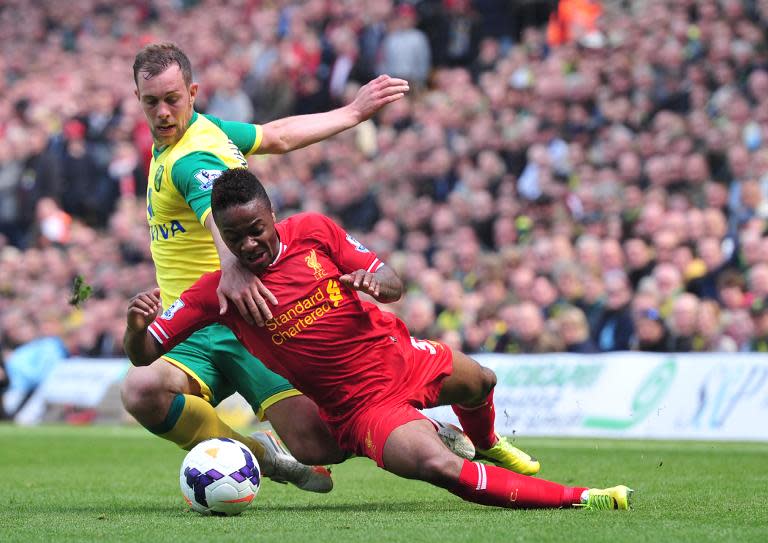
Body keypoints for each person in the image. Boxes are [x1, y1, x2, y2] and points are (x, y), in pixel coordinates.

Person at [123, 169, 633, 510]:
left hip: (404, 357)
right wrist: (136, 327)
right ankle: (581, 497)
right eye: (235, 239)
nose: (249, 244)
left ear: (272, 215)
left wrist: (374, 284)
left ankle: (489, 443)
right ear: (223, 239)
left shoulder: (315, 231)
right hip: (362, 408)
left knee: (482, 381)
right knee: (437, 466)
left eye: (256, 229)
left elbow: (391, 280)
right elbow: (145, 357)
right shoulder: (218, 293)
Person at [121, 42, 421, 493]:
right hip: (195, 326)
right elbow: (277, 136)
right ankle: (259, 456)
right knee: (141, 389)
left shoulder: (192, 158)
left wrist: (233, 270)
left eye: (172, 99)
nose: (162, 112)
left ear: (193, 92)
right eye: (151, 102)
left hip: (250, 315)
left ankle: (420, 428)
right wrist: (352, 114)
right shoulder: (205, 131)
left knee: (319, 445)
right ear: (139, 99)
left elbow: (213, 213)